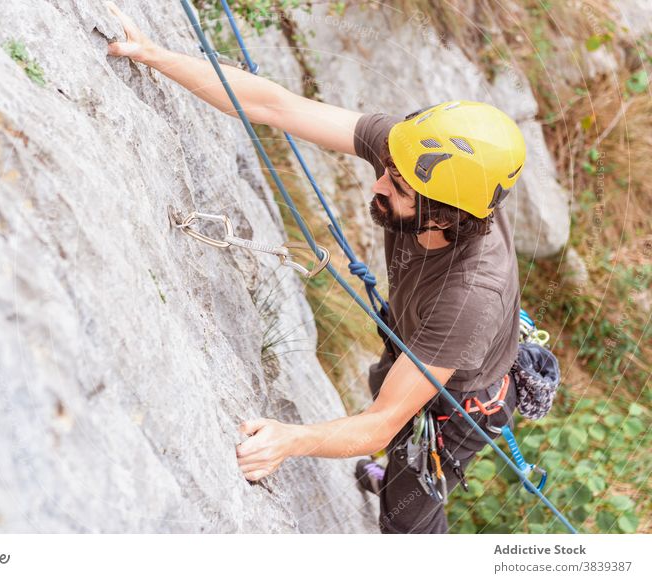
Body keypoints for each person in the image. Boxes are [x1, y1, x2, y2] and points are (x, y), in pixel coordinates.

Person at [105, 2, 524, 533]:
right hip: (412, 334)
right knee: (385, 384)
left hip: (463, 400)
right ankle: (385, 468)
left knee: (407, 517)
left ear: (444, 213)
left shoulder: (469, 297)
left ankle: (400, 489)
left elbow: (380, 423)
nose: (376, 183)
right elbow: (275, 105)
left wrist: (290, 440)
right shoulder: (420, 160)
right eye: (387, 172)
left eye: (394, 188)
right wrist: (156, 56)